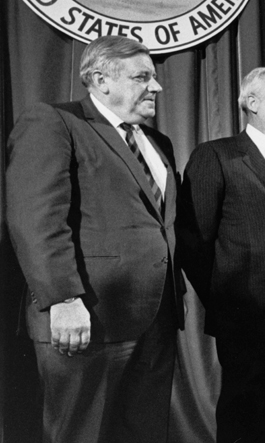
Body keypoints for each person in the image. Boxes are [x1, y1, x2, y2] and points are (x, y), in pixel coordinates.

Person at [6, 35, 183, 443]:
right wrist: (64, 299)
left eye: (153, 78)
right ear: (101, 80)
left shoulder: (158, 143)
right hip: (87, 318)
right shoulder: (54, 121)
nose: (155, 87)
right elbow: (36, 219)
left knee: (144, 432)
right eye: (143, 77)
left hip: (156, 318)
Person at [177, 66, 265, 442]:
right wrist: (230, 302)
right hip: (247, 320)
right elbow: (194, 243)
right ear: (252, 103)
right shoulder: (217, 156)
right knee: (248, 420)